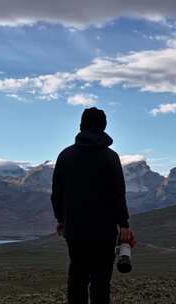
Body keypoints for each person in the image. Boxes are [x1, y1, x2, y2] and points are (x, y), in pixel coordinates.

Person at [51, 107, 135, 304]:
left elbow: (56, 194)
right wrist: (124, 225)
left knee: (77, 277)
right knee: (101, 280)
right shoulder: (110, 157)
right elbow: (118, 194)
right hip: (104, 232)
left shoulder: (66, 156)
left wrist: (61, 220)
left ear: (81, 126)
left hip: (75, 230)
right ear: (104, 127)